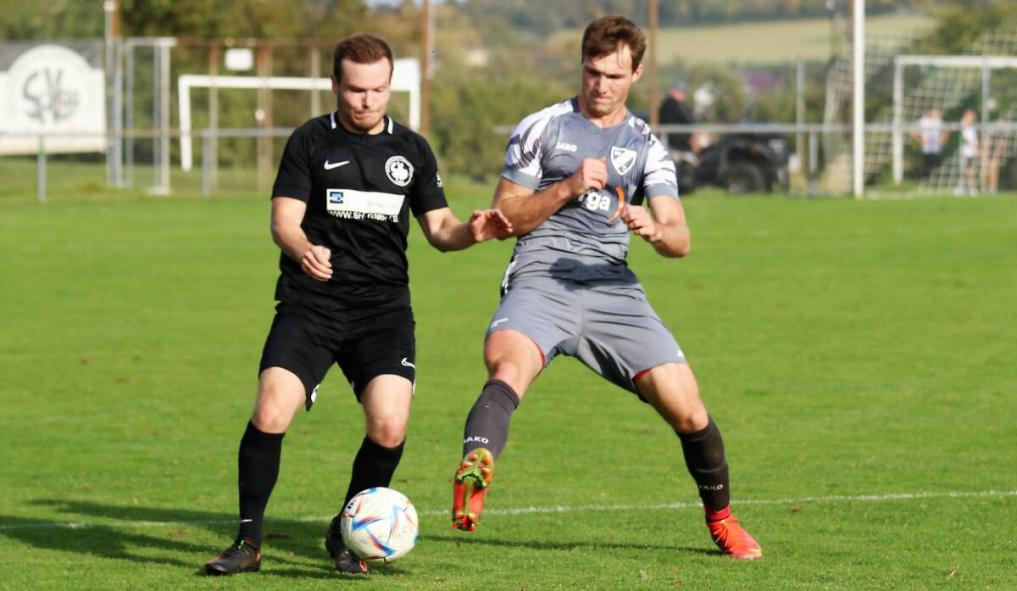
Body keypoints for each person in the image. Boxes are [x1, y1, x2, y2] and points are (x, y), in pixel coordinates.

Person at [449, 15, 762, 560]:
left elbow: (681, 238)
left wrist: (656, 230)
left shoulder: (646, 145)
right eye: (593, 72)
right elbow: (505, 215)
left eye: (614, 76)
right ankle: (473, 475)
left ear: (636, 74)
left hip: (612, 289)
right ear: (582, 66)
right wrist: (567, 188)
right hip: (542, 275)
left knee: (689, 410)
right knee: (506, 365)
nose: (600, 85)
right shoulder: (541, 128)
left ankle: (723, 519)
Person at [203, 33, 511, 576]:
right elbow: (283, 221)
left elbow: (440, 230)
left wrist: (474, 230)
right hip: (312, 305)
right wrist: (303, 250)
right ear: (335, 85)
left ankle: (346, 532)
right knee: (271, 409)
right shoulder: (309, 141)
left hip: (382, 312)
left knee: (389, 427)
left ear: (390, 86)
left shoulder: (412, 150)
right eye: (355, 90)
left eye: (378, 90)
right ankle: (248, 543)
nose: (366, 100)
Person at [911, 107, 949, 179]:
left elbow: (946, 131)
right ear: (929, 112)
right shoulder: (922, 121)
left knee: (937, 166)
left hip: (937, 148)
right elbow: (913, 133)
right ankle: (925, 180)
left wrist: (942, 141)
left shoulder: (939, 121)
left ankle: (936, 181)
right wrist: (921, 141)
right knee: (927, 166)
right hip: (927, 148)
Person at [658, 80, 696, 152]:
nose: (682, 94)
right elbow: (671, 125)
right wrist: (690, 137)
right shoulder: (668, 106)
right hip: (675, 143)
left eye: (683, 92)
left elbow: (691, 121)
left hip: (684, 141)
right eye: (679, 91)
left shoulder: (682, 106)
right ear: (672, 91)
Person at [955, 109, 979, 196]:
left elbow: (974, 138)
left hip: (972, 151)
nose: (972, 117)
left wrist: (976, 148)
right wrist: (974, 147)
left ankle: (972, 188)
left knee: (971, 171)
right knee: (963, 170)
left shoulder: (973, 126)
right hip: (965, 151)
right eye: (970, 115)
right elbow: (965, 137)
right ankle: (959, 188)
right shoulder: (963, 123)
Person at [987, 114, 1010, 194]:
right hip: (989, 151)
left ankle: (993, 188)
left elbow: (1002, 143)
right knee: (989, 169)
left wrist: (998, 153)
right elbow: (989, 140)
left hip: (994, 152)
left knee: (993, 168)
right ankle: (989, 187)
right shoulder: (994, 128)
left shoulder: (1003, 131)